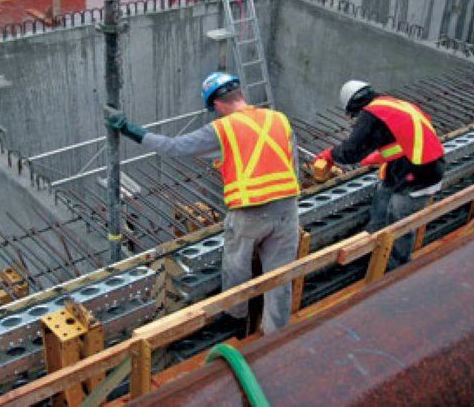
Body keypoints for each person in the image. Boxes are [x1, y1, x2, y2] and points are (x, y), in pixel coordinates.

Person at [106, 72, 301, 334]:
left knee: (236, 270)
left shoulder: (223, 128)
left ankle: (235, 322)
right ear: (240, 94)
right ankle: (277, 335)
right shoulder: (279, 120)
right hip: (287, 209)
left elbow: (173, 147)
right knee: (280, 278)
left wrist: (128, 128)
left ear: (217, 105)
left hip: (249, 213)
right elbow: (294, 167)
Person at [314, 80, 445, 270]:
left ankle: (395, 271)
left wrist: (330, 155)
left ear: (354, 106)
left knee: (399, 223)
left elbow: (351, 152)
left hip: (419, 177)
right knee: (382, 195)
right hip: (419, 166)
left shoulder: (371, 114)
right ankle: (372, 240)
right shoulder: (393, 104)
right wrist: (382, 155)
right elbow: (408, 135)